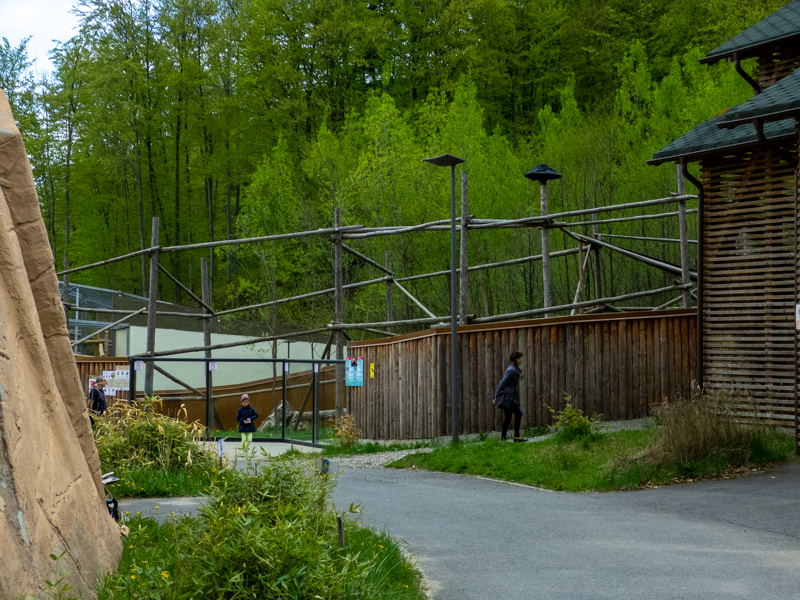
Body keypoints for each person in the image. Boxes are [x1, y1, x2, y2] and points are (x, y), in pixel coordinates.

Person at [494, 352, 525, 442]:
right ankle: (516, 437)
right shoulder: (512, 370)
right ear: (517, 359)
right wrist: (496, 395)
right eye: (521, 358)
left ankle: (503, 438)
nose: (522, 359)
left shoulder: (513, 369)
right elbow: (502, 382)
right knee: (519, 414)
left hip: (510, 395)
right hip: (509, 397)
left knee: (508, 417)